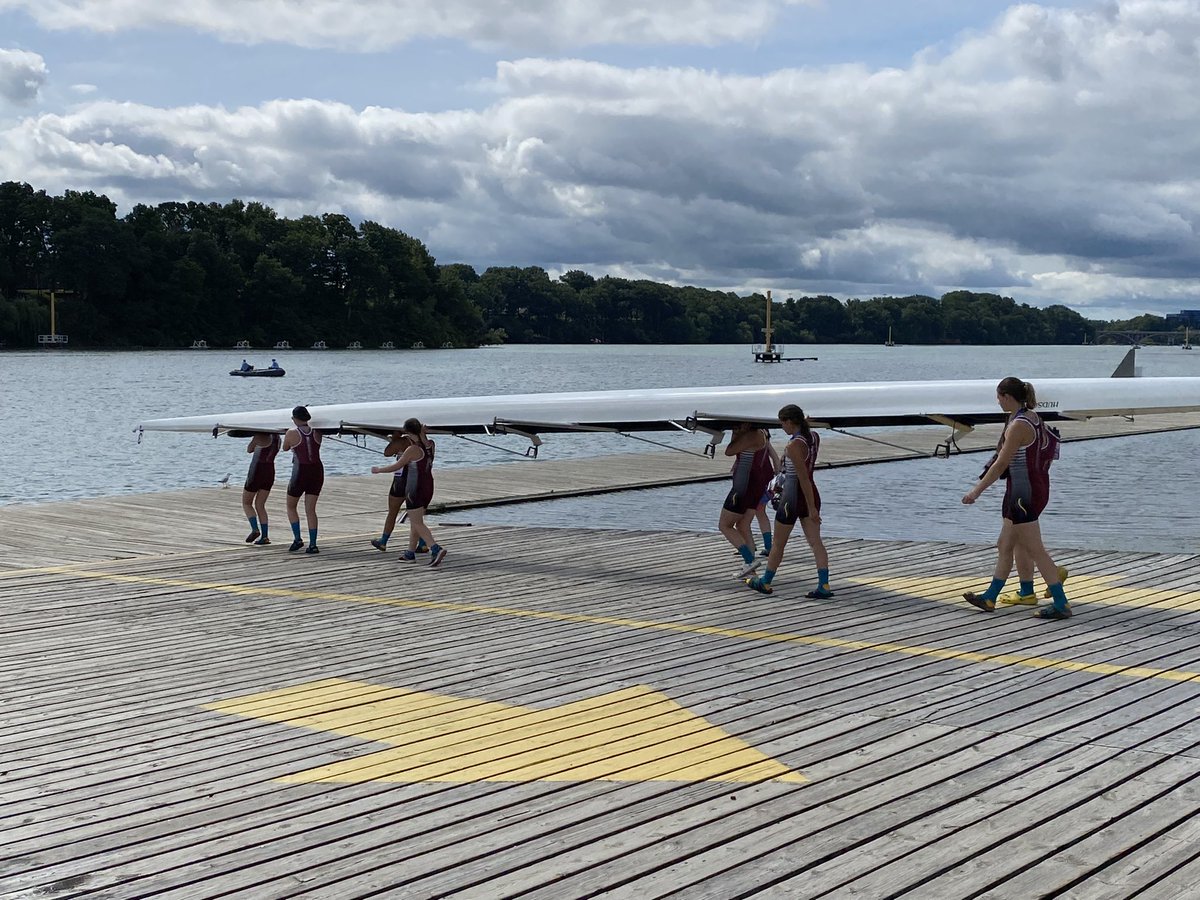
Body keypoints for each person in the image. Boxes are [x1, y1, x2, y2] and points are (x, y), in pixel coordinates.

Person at [962, 377, 1071, 619]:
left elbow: (1001, 464)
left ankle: (1061, 602)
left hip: (1024, 494)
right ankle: (990, 597)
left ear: (1008, 397)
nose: (997, 401)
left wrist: (975, 491)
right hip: (1026, 489)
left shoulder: (1018, 425)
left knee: (1035, 549)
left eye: (999, 396)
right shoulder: (1030, 417)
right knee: (1005, 545)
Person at [745, 404, 832, 598]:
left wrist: (812, 509)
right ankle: (824, 585)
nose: (781, 427)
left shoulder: (793, 446)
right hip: (811, 494)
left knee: (778, 543)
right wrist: (812, 507)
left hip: (792, 497)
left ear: (790, 422)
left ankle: (766, 582)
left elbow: (802, 478)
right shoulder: (814, 438)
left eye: (782, 423)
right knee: (816, 542)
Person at [370, 417, 447, 566]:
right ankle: (410, 553)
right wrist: (423, 433)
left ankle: (435, 548)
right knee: (416, 521)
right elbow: (425, 441)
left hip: (414, 488)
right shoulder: (430, 445)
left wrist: (379, 470)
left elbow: (397, 465)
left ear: (406, 431)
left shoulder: (412, 449)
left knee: (417, 523)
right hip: (428, 486)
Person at [719, 423, 775, 577]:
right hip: (755, 485)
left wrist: (736, 433)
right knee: (743, 525)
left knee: (725, 525)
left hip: (743, 486)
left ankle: (750, 560)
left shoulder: (751, 435)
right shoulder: (762, 432)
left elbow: (729, 450)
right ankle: (751, 570)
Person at [282, 405, 323, 554]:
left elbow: (285, 448)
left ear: (294, 419)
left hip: (300, 471)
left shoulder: (291, 432)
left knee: (291, 506)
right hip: (317, 471)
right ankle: (313, 544)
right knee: (311, 510)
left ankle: (298, 539)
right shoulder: (318, 432)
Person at [241, 432, 281, 545]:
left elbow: (249, 449)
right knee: (260, 505)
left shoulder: (259, 436)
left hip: (257, 470)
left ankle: (255, 528)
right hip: (269, 471)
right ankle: (265, 536)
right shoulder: (277, 438)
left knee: (247, 503)